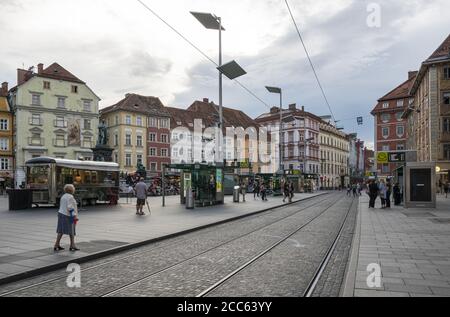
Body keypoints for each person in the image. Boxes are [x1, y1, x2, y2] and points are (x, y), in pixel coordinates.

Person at [54, 184, 79, 252]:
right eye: (73, 188)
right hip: (68, 216)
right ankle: (72, 245)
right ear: (71, 190)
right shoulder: (70, 197)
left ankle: (57, 245)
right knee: (72, 231)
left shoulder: (63, 196)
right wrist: (74, 216)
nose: (74, 189)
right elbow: (70, 207)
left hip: (61, 214)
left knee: (61, 230)